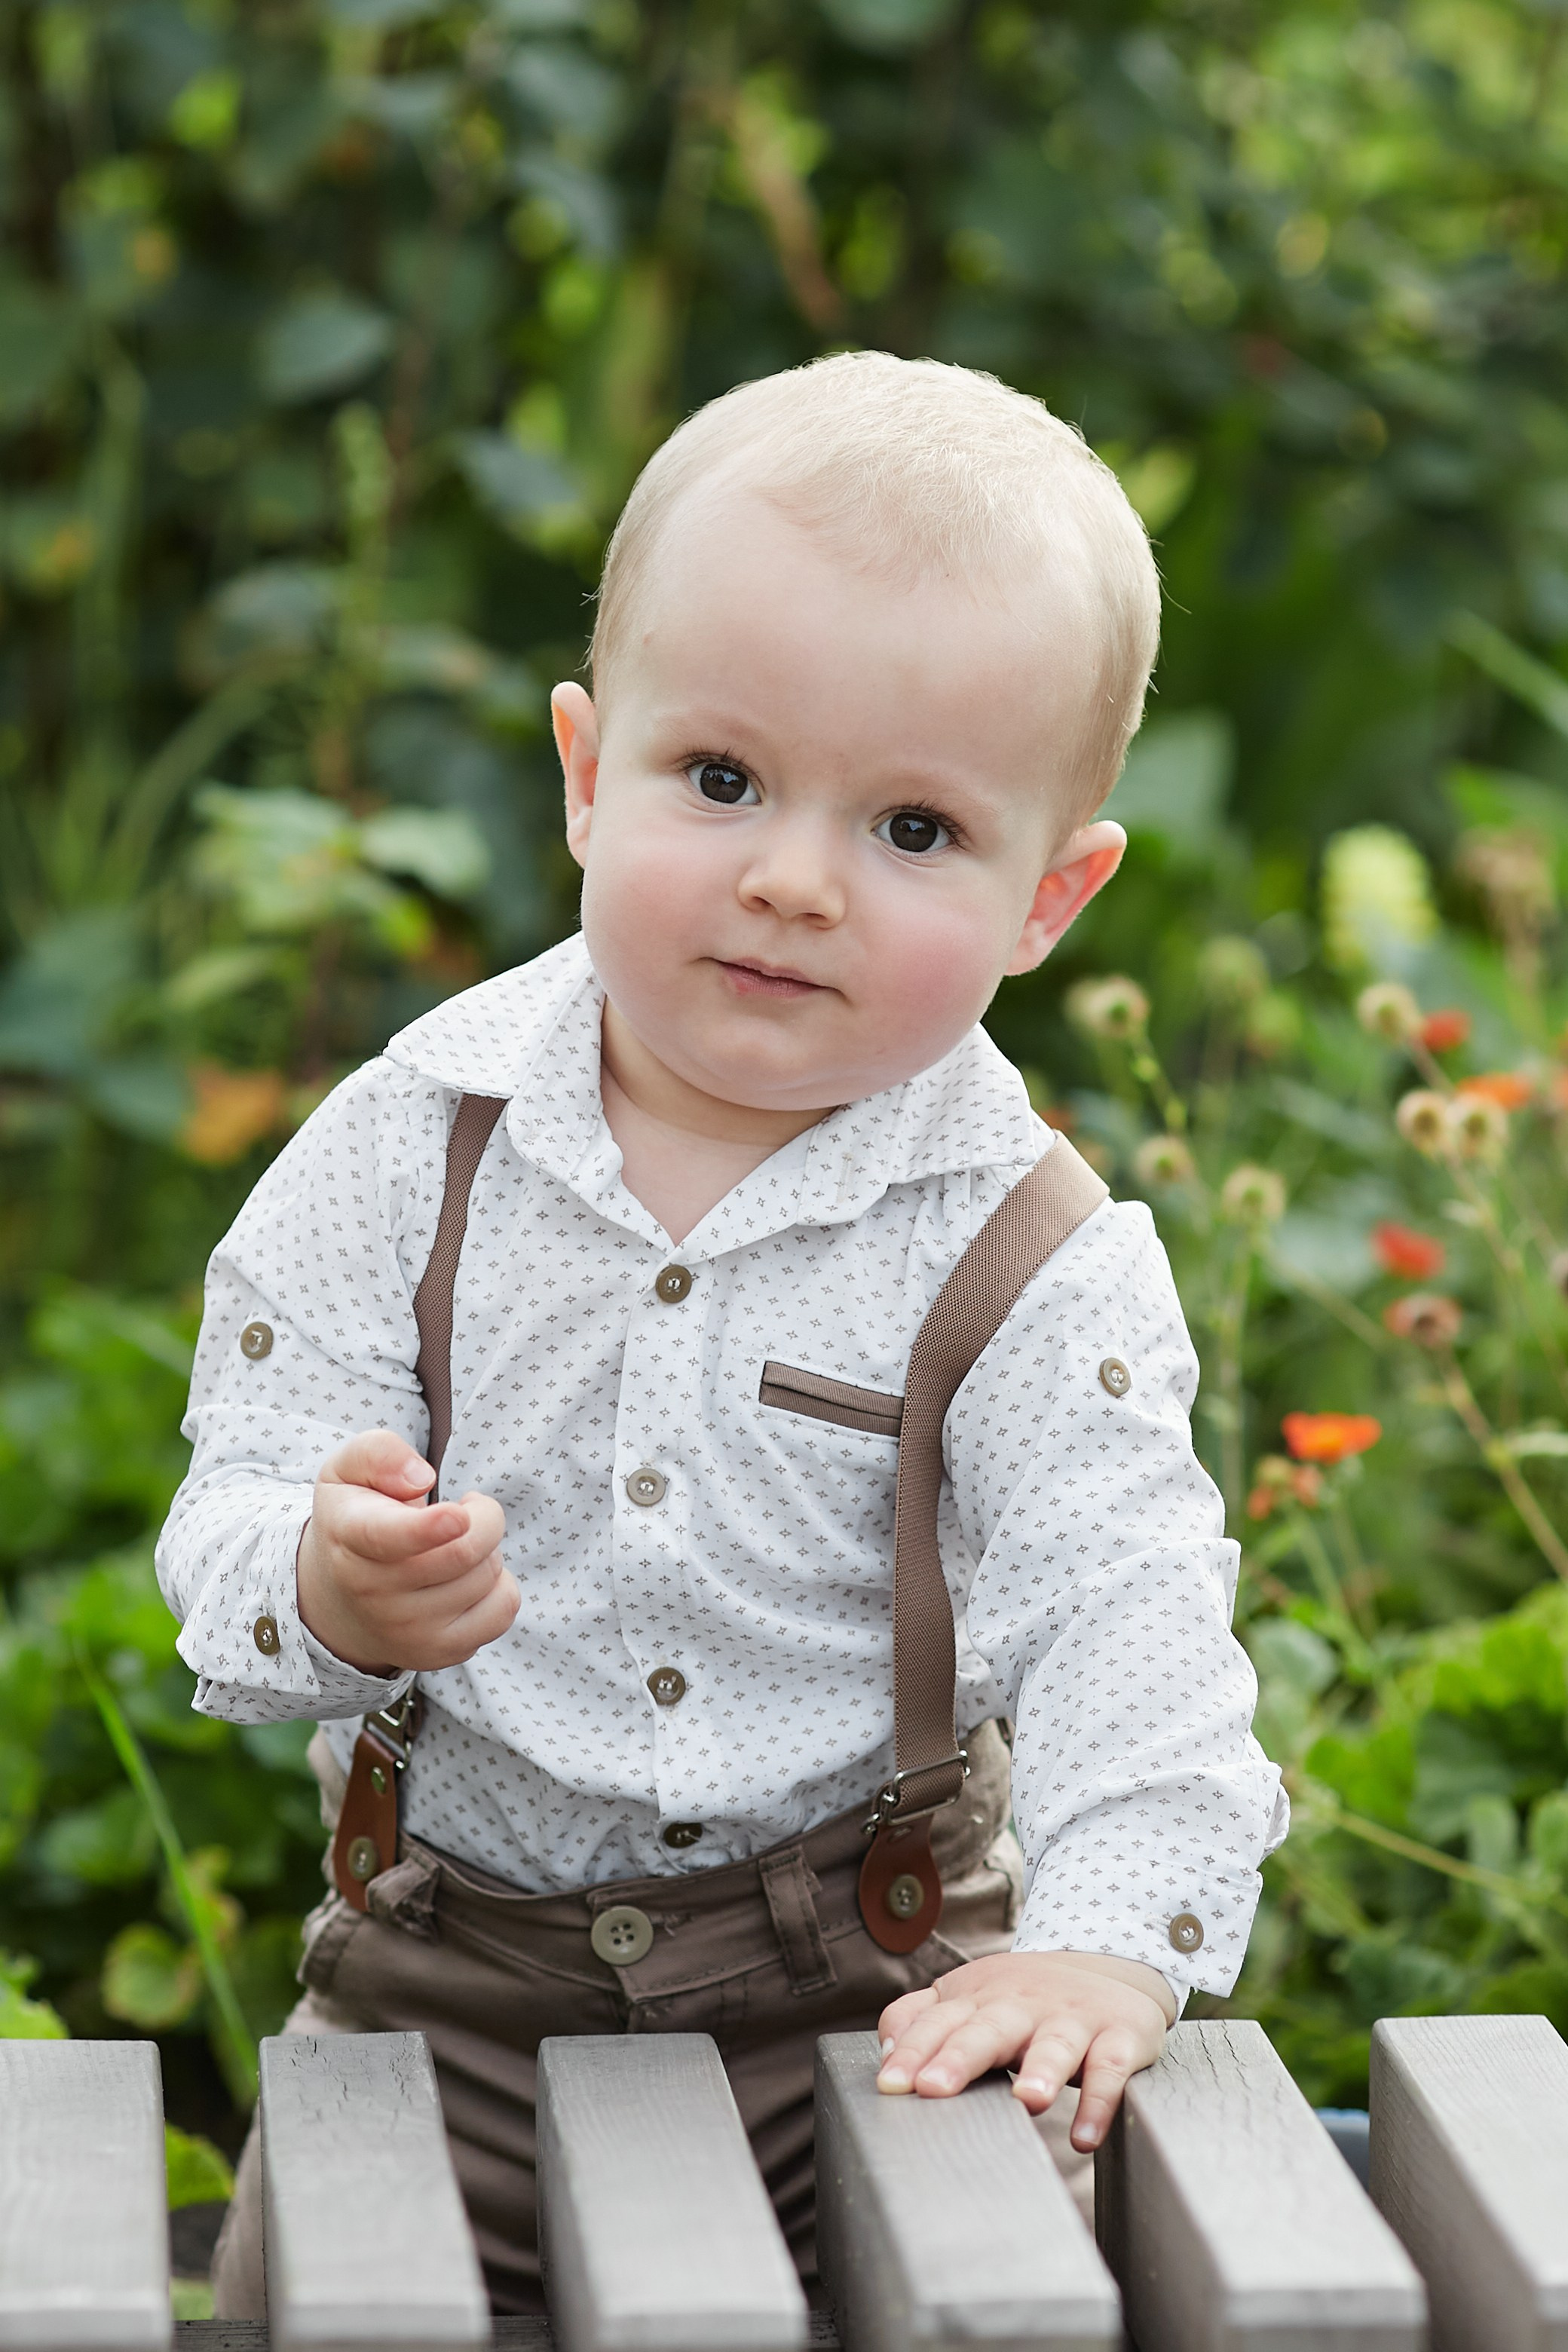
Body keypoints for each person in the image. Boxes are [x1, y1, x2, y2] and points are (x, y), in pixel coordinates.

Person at [157, 351, 1287, 2315]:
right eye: (723, 779)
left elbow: (1128, 1613)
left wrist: (1108, 1944)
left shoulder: (1028, 1256)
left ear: (1054, 896)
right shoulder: (411, 1148)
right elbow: (230, 1526)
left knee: (996, 2280)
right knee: (341, 2292)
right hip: (456, 1979)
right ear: (590, 772)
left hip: (882, 1979)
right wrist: (328, 1584)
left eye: (916, 831)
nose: (790, 879)